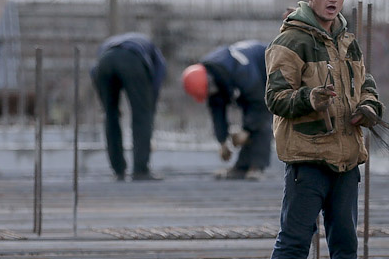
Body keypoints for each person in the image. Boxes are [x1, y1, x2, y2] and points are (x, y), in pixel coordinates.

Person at [258, 0, 384, 259]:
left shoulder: (348, 40)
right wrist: (309, 99)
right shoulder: (291, 40)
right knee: (295, 238)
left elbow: (366, 83)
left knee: (345, 241)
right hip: (308, 158)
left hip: (346, 158)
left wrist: (369, 107)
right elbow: (275, 97)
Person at [182, 40, 273, 180]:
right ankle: (242, 167)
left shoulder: (241, 73)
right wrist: (222, 141)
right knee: (250, 117)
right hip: (250, 81)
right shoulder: (211, 76)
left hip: (265, 71)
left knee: (260, 121)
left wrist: (247, 130)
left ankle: (257, 166)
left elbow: (259, 103)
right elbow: (217, 110)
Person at [91, 32, 166, 181]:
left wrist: (106, 104)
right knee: (141, 116)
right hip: (133, 60)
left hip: (104, 63)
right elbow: (160, 71)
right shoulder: (149, 47)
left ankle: (118, 171)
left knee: (110, 117)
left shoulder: (108, 44)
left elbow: (94, 71)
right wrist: (150, 107)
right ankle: (140, 170)